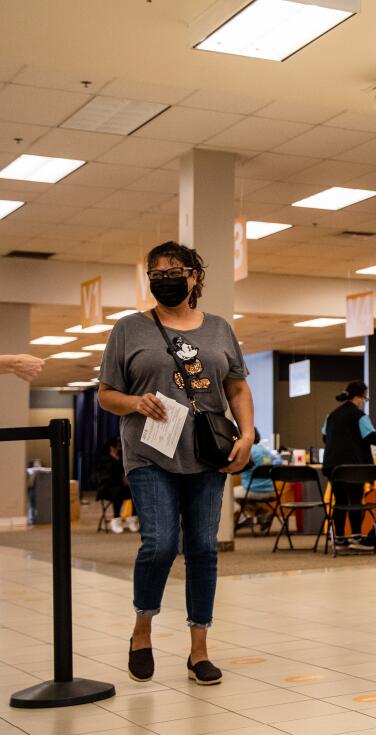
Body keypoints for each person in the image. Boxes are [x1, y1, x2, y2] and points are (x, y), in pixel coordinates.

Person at [98, 241, 253, 687]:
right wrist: (134, 402)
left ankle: (199, 649)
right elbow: (106, 395)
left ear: (194, 276)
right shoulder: (128, 329)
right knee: (161, 543)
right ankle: (142, 631)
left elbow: (237, 388)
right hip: (150, 453)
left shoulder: (220, 328)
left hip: (207, 454)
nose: (165, 277)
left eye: (175, 269)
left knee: (203, 548)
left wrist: (246, 435)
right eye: (156, 271)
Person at [321, 380, 376, 548]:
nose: (364, 402)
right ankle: (356, 537)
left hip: (333, 467)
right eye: (365, 398)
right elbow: (372, 439)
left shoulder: (331, 415)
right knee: (355, 500)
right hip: (354, 467)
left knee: (339, 501)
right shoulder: (360, 416)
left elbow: (325, 438)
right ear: (359, 397)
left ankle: (339, 538)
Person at [235, 428, 277, 531]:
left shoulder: (248, 450)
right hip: (269, 490)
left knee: (227, 496)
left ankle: (243, 518)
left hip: (252, 490)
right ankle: (263, 513)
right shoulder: (266, 451)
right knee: (247, 500)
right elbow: (276, 462)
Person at [96, 437, 138, 533]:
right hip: (106, 487)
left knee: (134, 491)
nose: (119, 448)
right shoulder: (104, 458)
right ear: (111, 447)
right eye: (118, 446)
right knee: (117, 492)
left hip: (120, 486)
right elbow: (103, 476)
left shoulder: (121, 457)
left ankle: (132, 519)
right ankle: (116, 519)